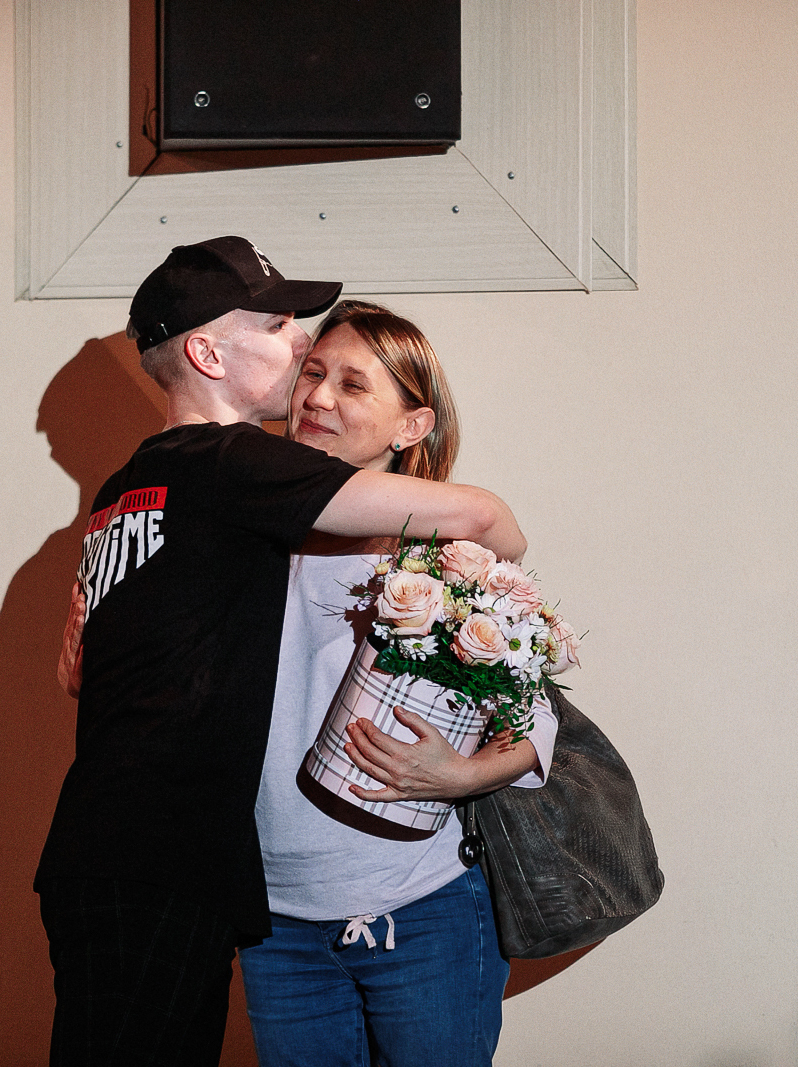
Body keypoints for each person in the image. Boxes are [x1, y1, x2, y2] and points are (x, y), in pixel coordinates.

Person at [36, 238, 528, 1067]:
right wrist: (492, 548)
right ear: (207, 354)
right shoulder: (234, 464)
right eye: (277, 327)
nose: (300, 344)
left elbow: (95, 667)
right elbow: (484, 517)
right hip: (172, 863)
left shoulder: (128, 487)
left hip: (122, 857)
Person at [238, 300, 558, 1067]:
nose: (318, 396)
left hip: (424, 910)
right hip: (275, 925)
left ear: (411, 426)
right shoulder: (242, 536)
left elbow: (533, 720)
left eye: (353, 384)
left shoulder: (442, 556)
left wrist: (463, 774)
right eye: (312, 373)